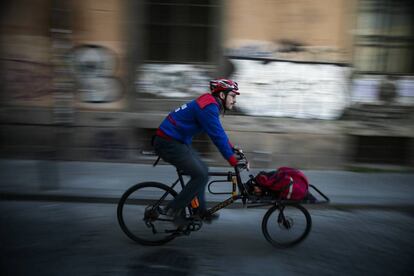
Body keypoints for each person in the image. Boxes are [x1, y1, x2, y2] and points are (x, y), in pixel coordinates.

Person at [153, 78, 243, 225]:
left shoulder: (211, 104)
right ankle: (172, 210)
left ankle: (200, 211)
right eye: (233, 96)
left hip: (178, 141)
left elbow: (218, 131)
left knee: (203, 170)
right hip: (168, 142)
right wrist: (231, 159)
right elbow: (217, 136)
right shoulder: (209, 106)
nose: (234, 100)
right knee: (200, 175)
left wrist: (231, 148)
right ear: (222, 95)